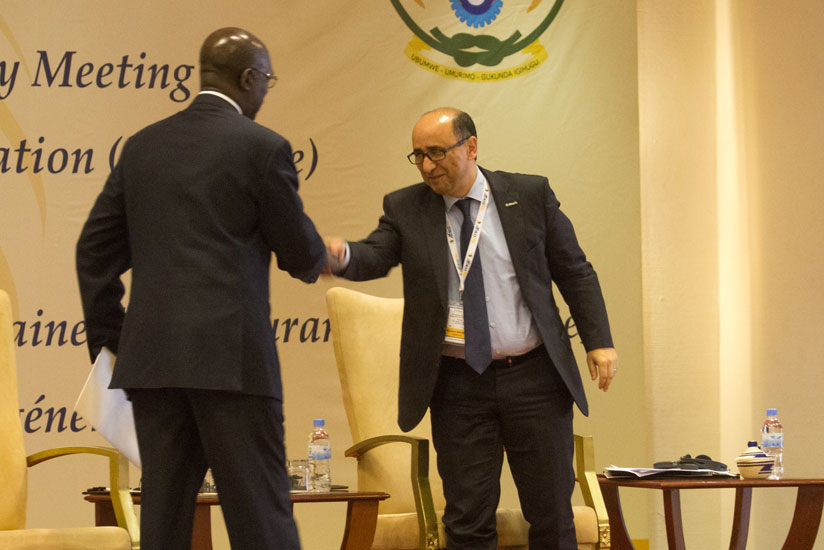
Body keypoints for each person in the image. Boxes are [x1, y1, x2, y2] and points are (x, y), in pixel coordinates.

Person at [76, 27, 325, 550]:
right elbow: (302, 256)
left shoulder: (142, 147)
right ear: (250, 78)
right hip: (231, 362)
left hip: (154, 364)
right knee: (260, 519)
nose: (265, 93)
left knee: (164, 522)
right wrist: (325, 257)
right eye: (267, 82)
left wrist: (115, 337)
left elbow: (93, 251)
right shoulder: (263, 148)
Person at [326, 107, 618, 549]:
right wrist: (342, 255)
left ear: (471, 147)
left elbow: (574, 270)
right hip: (459, 385)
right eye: (418, 155)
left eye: (438, 153)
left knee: (553, 516)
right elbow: (375, 253)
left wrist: (598, 341)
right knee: (466, 520)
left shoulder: (529, 194)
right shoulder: (407, 207)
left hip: (534, 378)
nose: (427, 166)